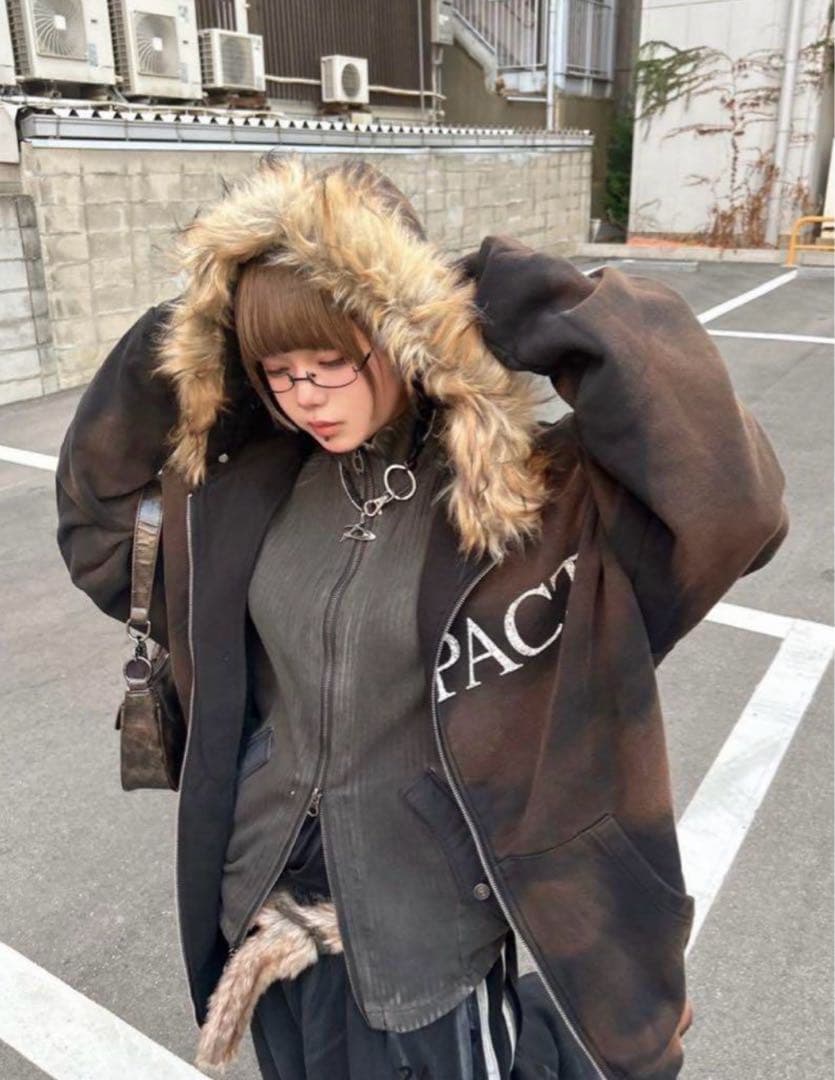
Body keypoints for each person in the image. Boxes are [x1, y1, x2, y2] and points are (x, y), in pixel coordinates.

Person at [55, 153, 789, 1080]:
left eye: (331, 362)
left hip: (432, 935)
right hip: (265, 908)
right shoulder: (254, 489)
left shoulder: (527, 497)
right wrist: (192, 326)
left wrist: (525, 300)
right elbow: (99, 529)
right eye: (278, 369)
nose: (305, 395)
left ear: (401, 330)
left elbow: (734, 504)